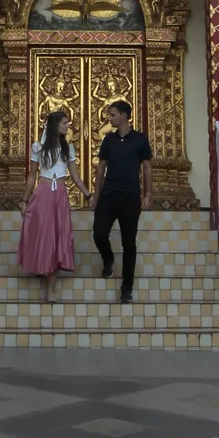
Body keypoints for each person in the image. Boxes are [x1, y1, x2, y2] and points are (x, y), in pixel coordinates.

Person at [18, 111, 91, 303]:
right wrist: (25, 200)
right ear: (55, 124)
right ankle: (40, 264)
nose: (68, 126)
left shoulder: (69, 149)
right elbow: (32, 176)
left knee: (58, 236)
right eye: (65, 123)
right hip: (42, 193)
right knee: (42, 233)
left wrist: (89, 195)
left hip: (60, 194)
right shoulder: (38, 147)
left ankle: (51, 289)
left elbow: (75, 177)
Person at [90, 99, 152, 303]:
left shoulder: (140, 140)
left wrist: (147, 195)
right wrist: (96, 194)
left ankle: (127, 288)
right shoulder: (108, 140)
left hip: (130, 197)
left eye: (113, 114)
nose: (110, 118)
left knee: (129, 244)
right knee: (99, 233)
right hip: (109, 195)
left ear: (124, 115)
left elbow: (147, 168)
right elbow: (101, 168)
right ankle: (108, 260)